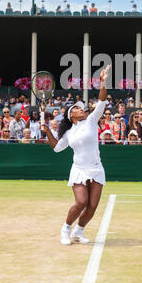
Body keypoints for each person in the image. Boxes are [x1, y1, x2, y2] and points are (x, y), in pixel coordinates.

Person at [44, 65, 111, 246]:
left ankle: (78, 232)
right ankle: (65, 229)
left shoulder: (90, 121)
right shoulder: (68, 133)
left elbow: (102, 101)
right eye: (77, 109)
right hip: (79, 169)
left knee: (93, 206)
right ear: (70, 115)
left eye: (82, 108)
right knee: (81, 202)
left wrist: (103, 82)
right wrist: (46, 130)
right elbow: (57, 148)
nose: (82, 110)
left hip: (96, 168)